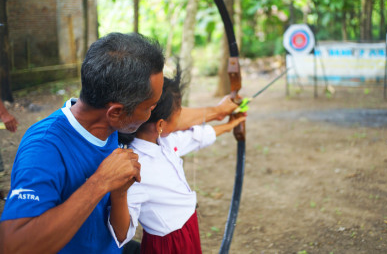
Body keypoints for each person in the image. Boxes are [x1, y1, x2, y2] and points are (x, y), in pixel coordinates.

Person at [0, 32, 165, 253]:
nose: (153, 111)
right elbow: (14, 245)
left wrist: (119, 192)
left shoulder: (112, 126)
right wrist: (100, 182)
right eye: (150, 107)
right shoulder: (44, 147)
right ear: (115, 112)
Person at [108, 70, 246, 253]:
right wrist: (119, 193)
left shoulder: (164, 140)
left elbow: (196, 137)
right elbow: (122, 233)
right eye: (179, 113)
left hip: (188, 230)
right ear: (160, 125)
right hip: (169, 245)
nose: (182, 117)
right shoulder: (136, 167)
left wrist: (228, 126)